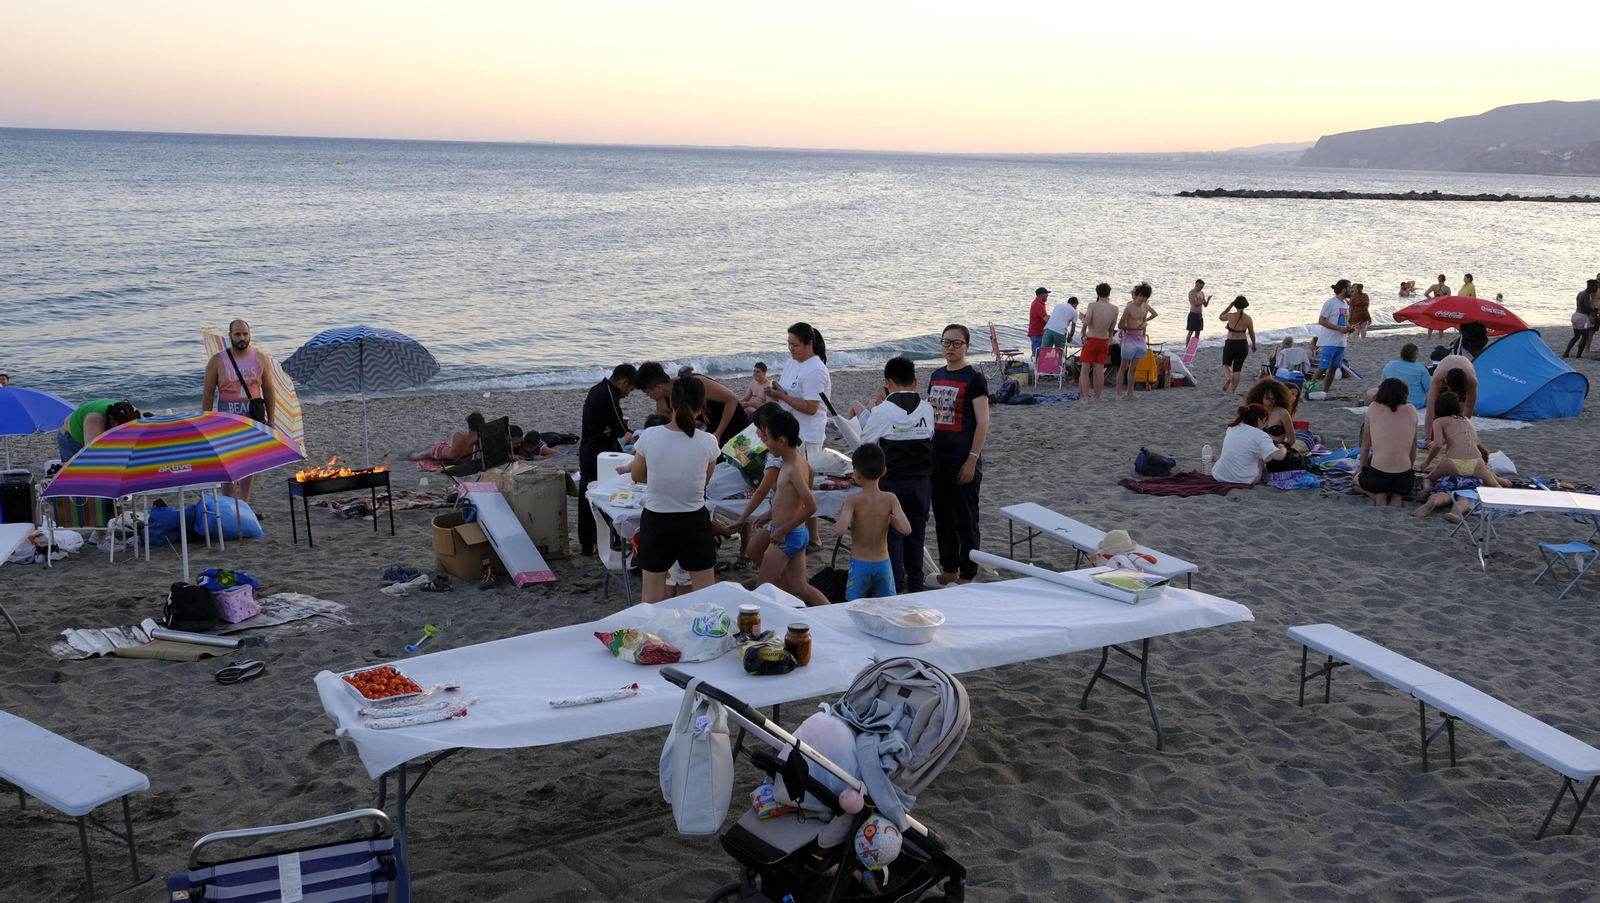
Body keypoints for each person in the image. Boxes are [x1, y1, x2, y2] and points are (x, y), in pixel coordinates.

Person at [631, 377, 721, 603]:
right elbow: (703, 481)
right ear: (701, 406)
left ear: (671, 402)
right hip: (693, 521)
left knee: (651, 596)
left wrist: (661, 478)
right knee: (706, 595)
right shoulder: (709, 441)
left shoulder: (650, 436)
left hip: (657, 520)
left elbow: (636, 475)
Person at [857, 356, 934, 593]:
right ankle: (916, 585)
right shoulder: (927, 408)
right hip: (921, 482)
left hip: (893, 483)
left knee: (893, 536)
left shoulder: (882, 411)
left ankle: (898, 587)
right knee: (916, 535)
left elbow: (865, 445)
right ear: (915, 382)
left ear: (887, 382)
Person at [928, 324, 990, 585]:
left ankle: (967, 574)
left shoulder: (974, 378)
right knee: (943, 517)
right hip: (937, 459)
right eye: (946, 342)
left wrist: (971, 459)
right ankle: (950, 569)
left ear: (967, 346)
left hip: (963, 458)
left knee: (966, 518)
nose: (950, 348)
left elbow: (983, 423)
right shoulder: (936, 375)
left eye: (956, 343)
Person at [753, 409, 830, 606]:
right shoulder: (798, 462)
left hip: (787, 536)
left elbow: (811, 506)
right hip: (796, 534)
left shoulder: (793, 468)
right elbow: (796, 492)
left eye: (768, 439)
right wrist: (770, 514)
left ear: (781, 441)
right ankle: (831, 612)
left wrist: (782, 531)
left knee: (762, 588)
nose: (766, 443)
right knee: (800, 587)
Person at [766, 322, 831, 547]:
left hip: (808, 434)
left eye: (795, 345)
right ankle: (794, 530)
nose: (791, 349)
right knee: (787, 485)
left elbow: (811, 407)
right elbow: (788, 392)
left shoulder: (815, 370)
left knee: (804, 487)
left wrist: (783, 397)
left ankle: (813, 537)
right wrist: (775, 393)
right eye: (789, 344)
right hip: (789, 431)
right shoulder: (792, 363)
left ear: (809, 344)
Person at [200, 319, 277, 501]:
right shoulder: (218, 360)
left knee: (249, 463)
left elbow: (268, 390)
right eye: (237, 334)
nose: (242, 338)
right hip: (226, 422)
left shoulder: (259, 358)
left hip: (253, 419)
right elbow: (208, 393)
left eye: (245, 334)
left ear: (249, 335)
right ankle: (228, 503)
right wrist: (206, 421)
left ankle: (244, 504)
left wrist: (272, 420)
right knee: (228, 463)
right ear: (230, 336)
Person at [835, 443, 911, 601]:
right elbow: (906, 529)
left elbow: (839, 530)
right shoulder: (890, 498)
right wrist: (889, 518)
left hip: (859, 564)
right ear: (884, 471)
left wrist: (841, 514)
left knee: (855, 605)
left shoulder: (853, 500)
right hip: (882, 563)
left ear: (856, 473)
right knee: (886, 605)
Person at [576, 364, 636, 556]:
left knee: (587, 496)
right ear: (624, 382)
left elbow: (613, 426)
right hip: (598, 454)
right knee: (602, 497)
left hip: (589, 450)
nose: (629, 394)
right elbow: (620, 428)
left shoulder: (598, 390)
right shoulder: (608, 394)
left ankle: (587, 544)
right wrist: (622, 431)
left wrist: (614, 429)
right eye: (630, 389)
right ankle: (613, 540)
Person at [635, 361, 749, 447]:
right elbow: (669, 427)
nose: (647, 396)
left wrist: (718, 433)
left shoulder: (695, 384)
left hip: (732, 421)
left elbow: (732, 399)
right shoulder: (662, 401)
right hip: (711, 426)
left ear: (659, 387)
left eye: (647, 392)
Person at [1418, 390, 1503, 495]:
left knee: (1428, 479)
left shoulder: (1439, 421)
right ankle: (1502, 496)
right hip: (1476, 462)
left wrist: (1427, 462)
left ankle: (1427, 489)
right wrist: (1445, 441)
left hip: (1453, 462)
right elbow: (1464, 438)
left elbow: (1437, 445)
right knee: (1494, 485)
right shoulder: (1466, 420)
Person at [1356, 378, 1418, 508]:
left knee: (1355, 481)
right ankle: (1396, 496)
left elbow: (1366, 441)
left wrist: (1362, 468)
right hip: (1404, 479)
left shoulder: (1374, 407)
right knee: (1398, 486)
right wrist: (1410, 470)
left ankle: (1377, 496)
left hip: (1378, 476)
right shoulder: (1412, 410)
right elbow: (1413, 446)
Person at [1211, 404, 1286, 485]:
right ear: (1259, 420)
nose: (1265, 425)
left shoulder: (1232, 428)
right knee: (1261, 457)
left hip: (1220, 475)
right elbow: (1279, 456)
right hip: (1244, 479)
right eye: (1264, 421)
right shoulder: (1260, 435)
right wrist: (1283, 447)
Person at [57, 399, 139, 462]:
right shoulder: (95, 419)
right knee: (76, 471)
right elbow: (93, 455)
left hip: (95, 425)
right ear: (112, 420)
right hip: (72, 436)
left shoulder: (137, 416)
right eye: (119, 429)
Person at [1115, 282, 1157, 402]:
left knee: (1134, 368)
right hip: (1129, 338)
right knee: (1123, 367)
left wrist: (1143, 335)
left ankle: (1130, 393)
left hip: (1139, 339)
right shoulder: (1129, 307)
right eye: (1141, 296)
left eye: (1145, 297)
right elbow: (1120, 325)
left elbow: (1144, 323)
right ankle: (1118, 394)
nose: (1142, 299)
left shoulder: (1145, 307)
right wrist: (1134, 328)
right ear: (1137, 295)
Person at [1311, 279, 1354, 395]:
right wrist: (1339, 329)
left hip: (1341, 342)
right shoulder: (1330, 303)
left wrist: (1349, 328)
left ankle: (1325, 391)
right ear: (1344, 289)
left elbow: (1343, 321)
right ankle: (1310, 388)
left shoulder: (1345, 304)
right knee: (1323, 366)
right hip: (1329, 341)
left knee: (1334, 367)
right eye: (1350, 288)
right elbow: (1321, 320)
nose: (1351, 290)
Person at [1078, 283, 1118, 403]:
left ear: (1097, 293)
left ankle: (1085, 397)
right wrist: (1110, 337)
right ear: (1109, 293)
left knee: (1085, 370)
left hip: (1092, 340)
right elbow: (1112, 328)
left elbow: (1087, 322)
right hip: (1104, 341)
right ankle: (1097, 397)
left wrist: (1082, 319)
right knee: (1099, 371)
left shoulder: (1092, 305)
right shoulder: (1114, 309)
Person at [1424, 353, 1477, 434]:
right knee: (1437, 410)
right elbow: (1430, 410)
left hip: (1463, 370)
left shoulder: (1472, 381)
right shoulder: (1438, 378)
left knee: (1460, 411)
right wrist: (1428, 437)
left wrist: (1461, 428)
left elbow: (1469, 407)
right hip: (1447, 366)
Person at [1242, 378, 1297, 453]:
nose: (1270, 402)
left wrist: (1282, 447)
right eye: (1267, 399)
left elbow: (1291, 439)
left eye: (1273, 399)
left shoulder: (1282, 413)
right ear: (1260, 396)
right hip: (1255, 450)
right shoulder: (1254, 411)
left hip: (1276, 451)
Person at [411, 411, 485, 463]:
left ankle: (413, 456)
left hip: (444, 455)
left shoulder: (459, 436)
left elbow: (456, 450)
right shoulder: (479, 442)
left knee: (427, 453)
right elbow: (478, 458)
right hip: (459, 460)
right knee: (447, 447)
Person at [1218, 296, 1256, 395]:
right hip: (1242, 344)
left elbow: (1221, 317)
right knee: (1237, 369)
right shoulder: (1248, 318)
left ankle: (1228, 378)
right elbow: (1251, 333)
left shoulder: (1230, 316)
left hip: (1231, 343)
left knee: (1226, 364)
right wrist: (1254, 344)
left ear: (1235, 305)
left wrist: (1229, 307)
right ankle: (1233, 391)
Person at [1379, 343, 1431, 408]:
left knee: (1371, 392)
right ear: (1415, 355)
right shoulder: (1421, 368)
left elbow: (1383, 383)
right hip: (1416, 403)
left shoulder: (1391, 364)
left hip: (1392, 401)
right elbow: (1428, 388)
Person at [1564, 280, 1597, 359]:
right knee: (1585, 336)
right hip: (1582, 318)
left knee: (1576, 336)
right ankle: (1578, 355)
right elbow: (1587, 306)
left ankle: (1566, 353)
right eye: (1595, 287)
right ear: (1591, 286)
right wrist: (1594, 313)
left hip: (1575, 316)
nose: (1596, 289)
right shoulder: (1586, 295)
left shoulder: (1581, 293)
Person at [1027, 287, 1051, 355]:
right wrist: (1054, 318)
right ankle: (1035, 361)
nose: (1047, 296)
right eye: (1046, 294)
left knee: (1038, 353)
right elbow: (1046, 319)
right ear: (1041, 295)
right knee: (1037, 354)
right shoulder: (1038, 305)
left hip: (1037, 332)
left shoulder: (1037, 303)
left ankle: (1035, 361)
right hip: (1037, 333)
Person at [1186, 279, 1210, 345]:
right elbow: (1195, 304)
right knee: (1190, 332)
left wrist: (1207, 300)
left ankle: (1193, 347)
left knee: (1198, 332)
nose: (1201, 288)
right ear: (1196, 285)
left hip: (1199, 315)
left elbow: (1205, 305)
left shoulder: (1202, 293)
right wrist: (1202, 301)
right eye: (1200, 287)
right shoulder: (1192, 293)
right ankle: (1187, 346)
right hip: (1193, 314)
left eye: (1202, 287)